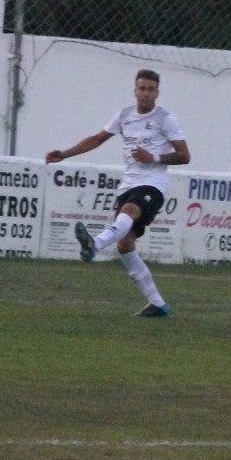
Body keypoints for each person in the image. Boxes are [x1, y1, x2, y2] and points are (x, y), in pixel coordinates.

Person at [44, 69, 190, 317]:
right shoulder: (124, 116)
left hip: (153, 184)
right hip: (129, 184)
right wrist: (65, 154)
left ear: (157, 92)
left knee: (129, 211)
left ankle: (95, 244)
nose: (145, 93)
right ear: (135, 90)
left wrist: (153, 156)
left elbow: (184, 156)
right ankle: (157, 303)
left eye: (150, 89)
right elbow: (97, 139)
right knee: (125, 244)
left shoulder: (166, 119)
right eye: (141, 88)